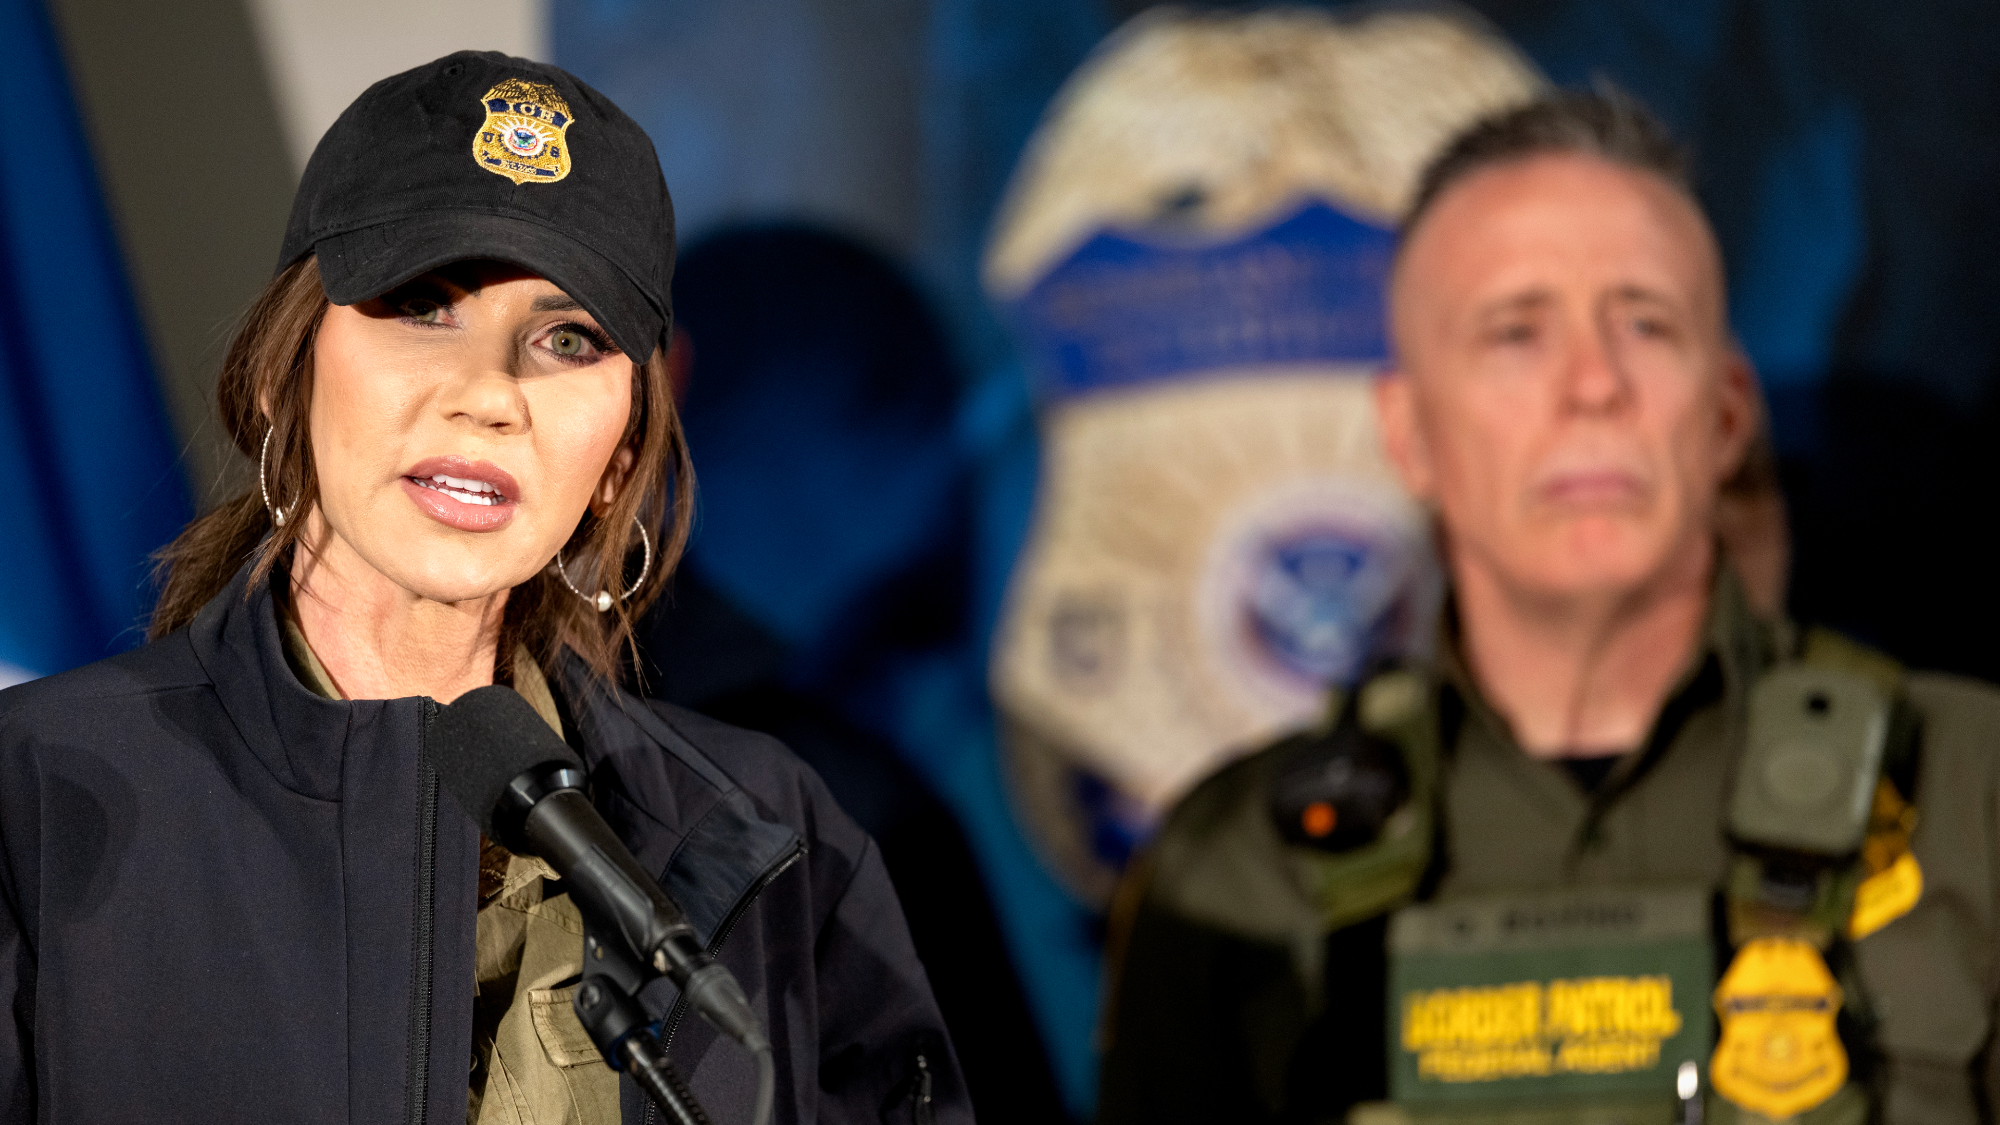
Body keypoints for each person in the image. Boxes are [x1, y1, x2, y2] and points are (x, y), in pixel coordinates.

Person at [0, 52, 967, 1125]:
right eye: (422, 305)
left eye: (565, 339)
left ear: (618, 457)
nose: (490, 394)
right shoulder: (35, 797)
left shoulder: (770, 835)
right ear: (285, 370)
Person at [1096, 90, 2000, 1125]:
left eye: (1645, 323)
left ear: (1723, 413)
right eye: (1514, 332)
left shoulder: (1968, 791)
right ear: (1408, 434)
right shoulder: (1230, 871)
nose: (1591, 383)